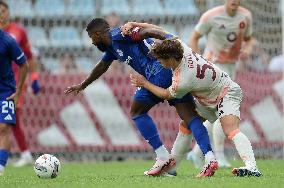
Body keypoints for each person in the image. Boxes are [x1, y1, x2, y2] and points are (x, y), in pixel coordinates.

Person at [65, 18, 218, 177]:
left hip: (157, 72)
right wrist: (83, 84)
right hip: (172, 72)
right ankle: (210, 158)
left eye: (91, 37)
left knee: (137, 112)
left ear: (97, 34)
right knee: (190, 116)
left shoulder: (121, 34)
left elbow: (147, 32)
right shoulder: (111, 47)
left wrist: (171, 39)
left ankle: (162, 156)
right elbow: (102, 65)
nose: (92, 42)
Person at [130, 38, 262, 177]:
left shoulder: (182, 80)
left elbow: (166, 94)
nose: (159, 62)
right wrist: (138, 26)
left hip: (226, 92)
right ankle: (170, 169)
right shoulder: (182, 47)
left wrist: (144, 83)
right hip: (208, 97)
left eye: (161, 59)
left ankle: (252, 167)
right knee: (187, 124)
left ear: (170, 58)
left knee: (230, 129)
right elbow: (161, 32)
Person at [188, 0, 254, 168]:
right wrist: (198, 61)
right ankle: (218, 155)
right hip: (214, 67)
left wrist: (248, 48)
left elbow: (249, 39)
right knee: (222, 111)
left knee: (212, 114)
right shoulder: (211, 16)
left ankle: (196, 152)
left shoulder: (246, 16)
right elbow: (194, 38)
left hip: (231, 66)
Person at [0, 1, 41, 167]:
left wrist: (35, 78)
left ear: (8, 13)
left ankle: (23, 154)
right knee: (11, 121)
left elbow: (29, 57)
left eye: (3, 11)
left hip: (14, 84)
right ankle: (25, 153)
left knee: (8, 121)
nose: (1, 14)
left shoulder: (17, 32)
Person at [0, 29, 29, 175]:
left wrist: (18, 91)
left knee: (4, 128)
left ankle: (0, 167)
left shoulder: (8, 41)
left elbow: (24, 64)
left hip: (6, 92)